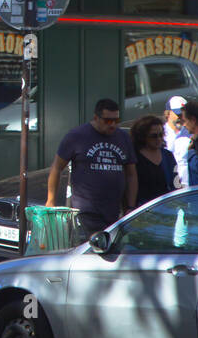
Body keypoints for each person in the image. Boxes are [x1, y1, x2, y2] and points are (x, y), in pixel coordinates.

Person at [46, 98, 137, 236]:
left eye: (116, 120)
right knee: (90, 251)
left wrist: (130, 206)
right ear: (96, 118)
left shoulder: (123, 138)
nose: (112, 125)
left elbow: (131, 174)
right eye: (107, 121)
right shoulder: (76, 136)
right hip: (86, 211)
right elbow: (57, 167)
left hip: (114, 211)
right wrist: (50, 200)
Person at [130, 115, 175, 207]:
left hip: (167, 210)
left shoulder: (167, 156)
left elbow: (176, 181)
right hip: (142, 210)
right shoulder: (134, 157)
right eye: (153, 136)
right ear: (143, 136)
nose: (158, 139)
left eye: (161, 135)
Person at [162, 95, 191, 188]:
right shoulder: (160, 134)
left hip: (188, 188)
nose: (181, 117)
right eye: (178, 114)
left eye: (184, 114)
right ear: (168, 114)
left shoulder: (191, 134)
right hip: (167, 188)